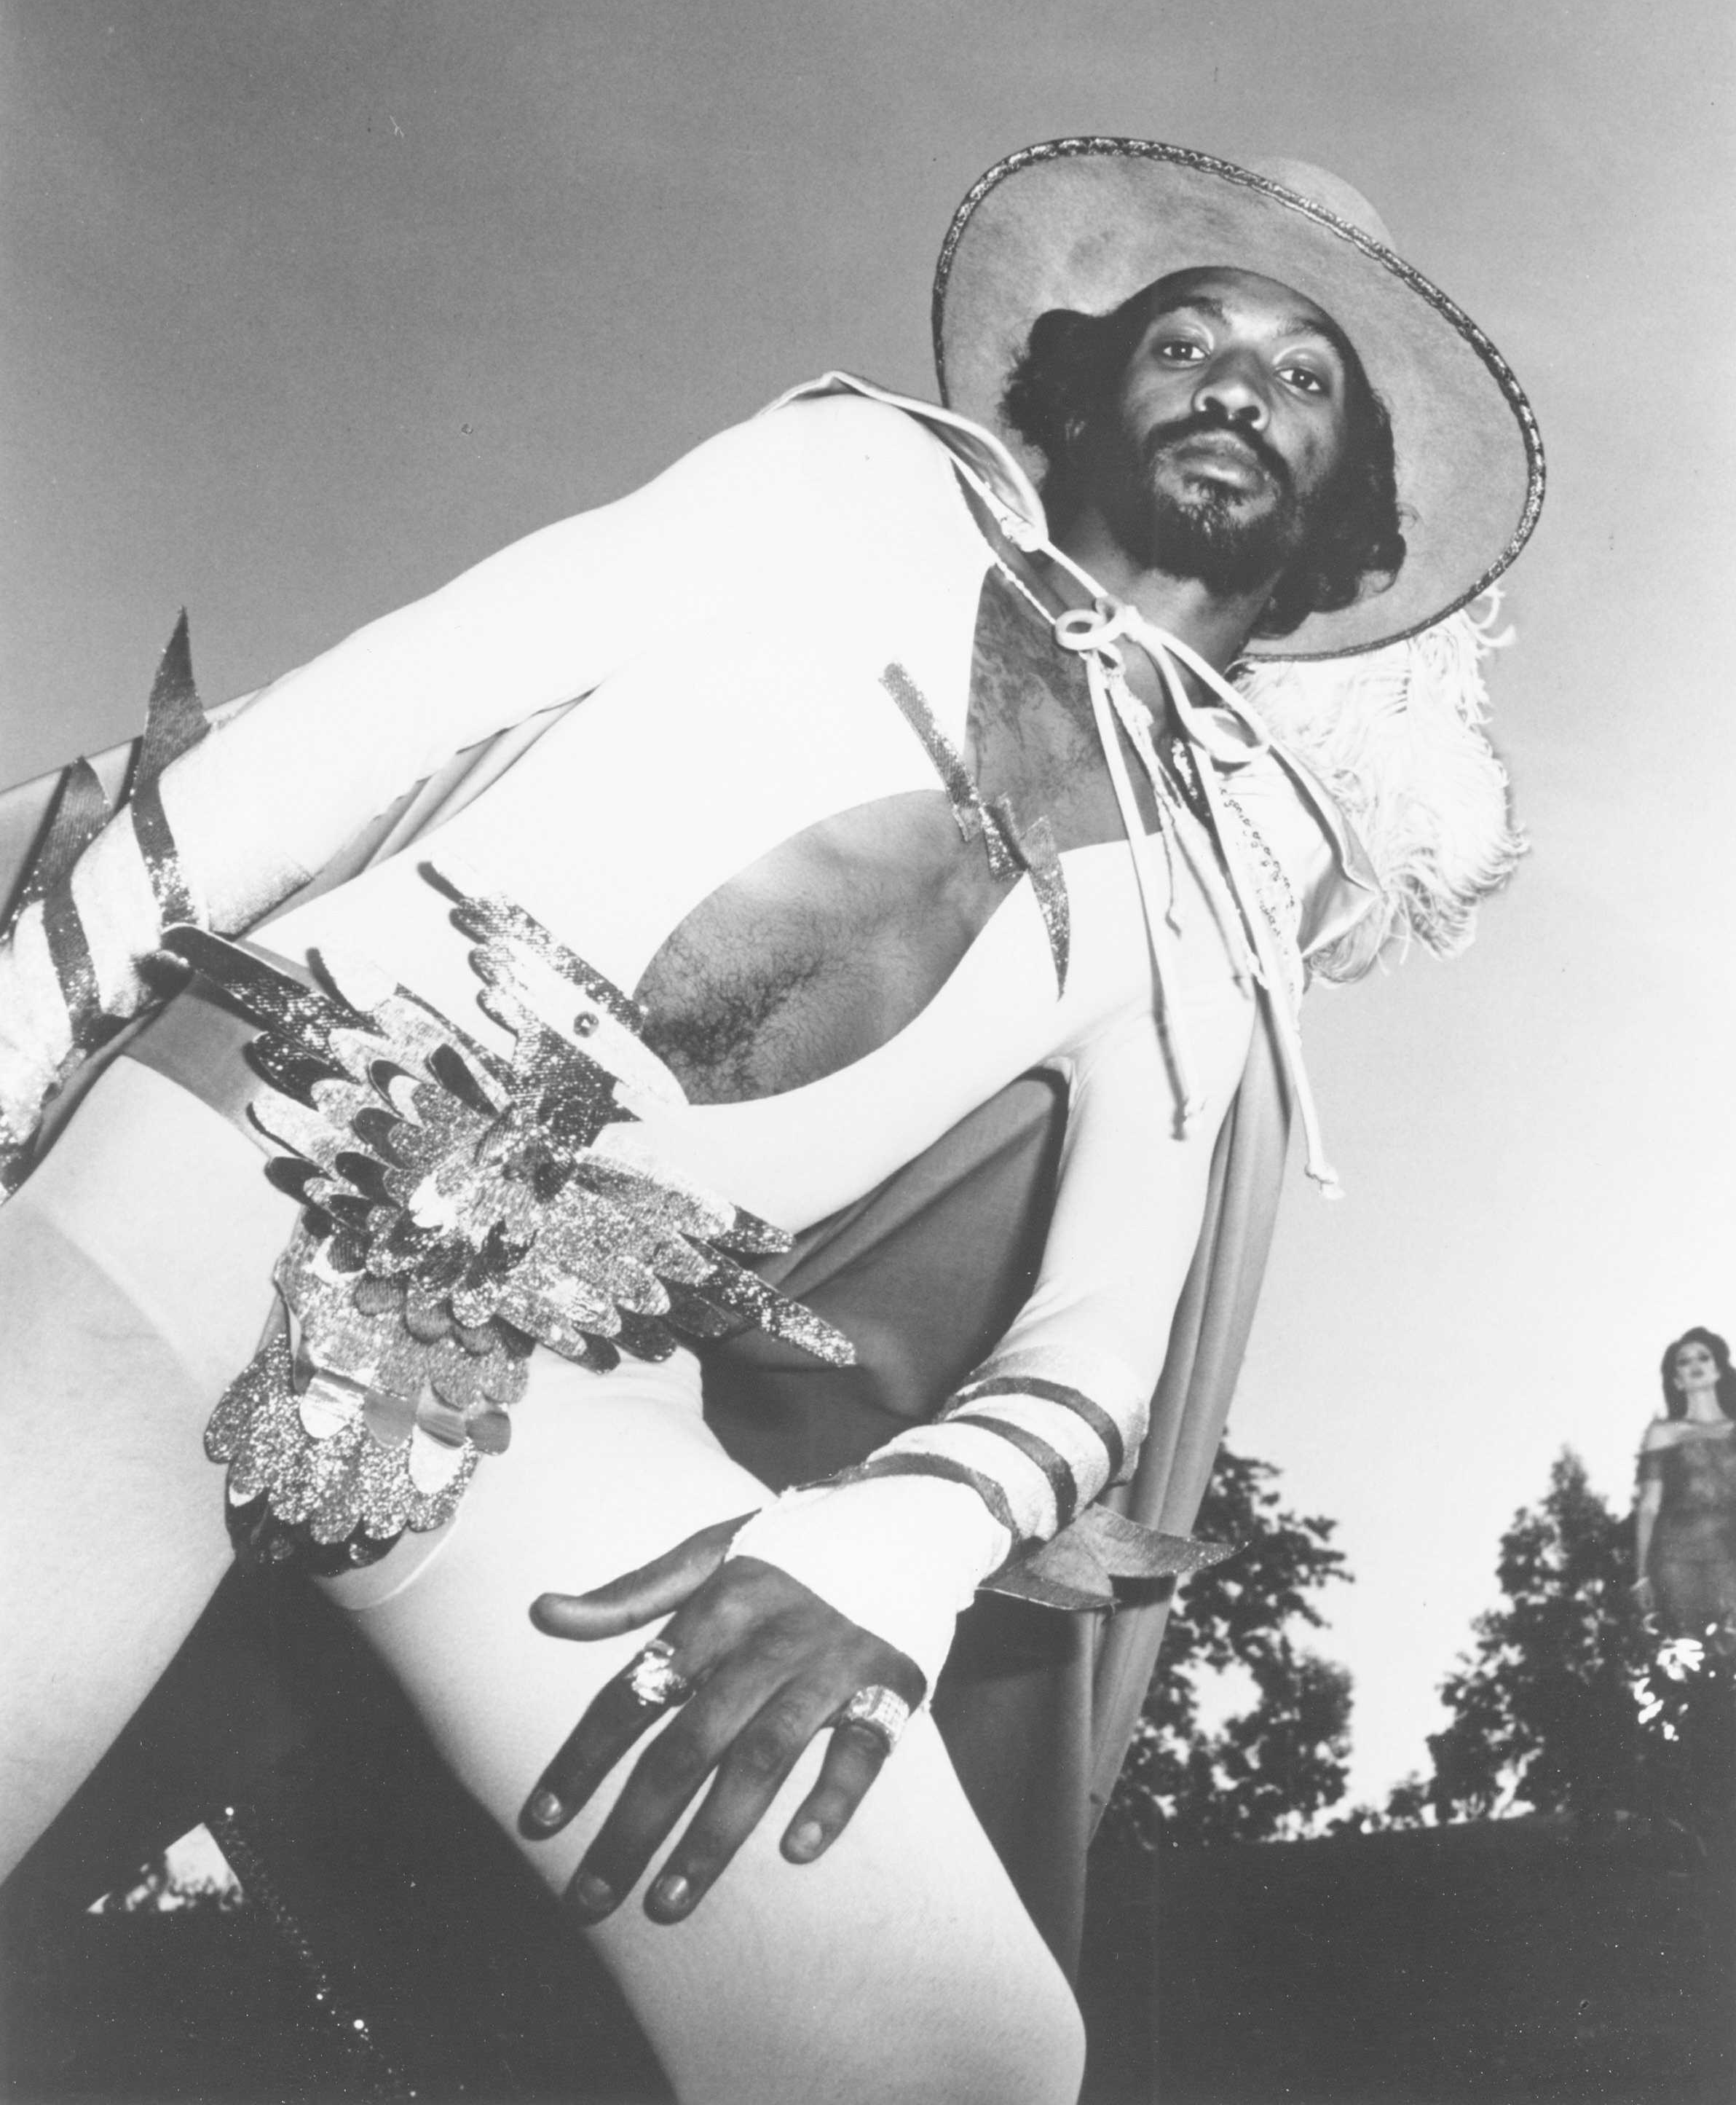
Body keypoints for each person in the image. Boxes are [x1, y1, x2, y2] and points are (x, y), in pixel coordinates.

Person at [0, 140, 1541, 2103]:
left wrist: (888, 1554)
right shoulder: (845, 480)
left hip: (549, 1396)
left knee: (956, 2054)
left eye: (1304, 377)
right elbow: (372, 717)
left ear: (1354, 514)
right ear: (1086, 381)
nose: (1241, 382)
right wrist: (22, 1020)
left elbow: (1098, 1361)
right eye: (1190, 337)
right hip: (238, 1161)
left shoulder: (1221, 917)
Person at [1636, 1327, 1736, 1642]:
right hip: (1677, 1558)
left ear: (1718, 1370)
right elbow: (1649, 1506)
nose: (1695, 1364)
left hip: (1729, 1553)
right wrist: (1640, 1576)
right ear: (1677, 1380)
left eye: (1704, 1357)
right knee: (1689, 1652)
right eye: (1684, 1361)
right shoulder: (1664, 1433)